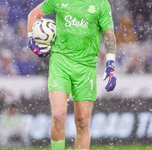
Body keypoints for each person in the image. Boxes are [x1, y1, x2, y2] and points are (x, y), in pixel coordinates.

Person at [27, 0, 117, 150]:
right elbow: (34, 14)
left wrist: (111, 64)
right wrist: (31, 39)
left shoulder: (101, 4)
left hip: (86, 67)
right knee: (58, 115)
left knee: (82, 122)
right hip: (60, 63)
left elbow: (109, 35)